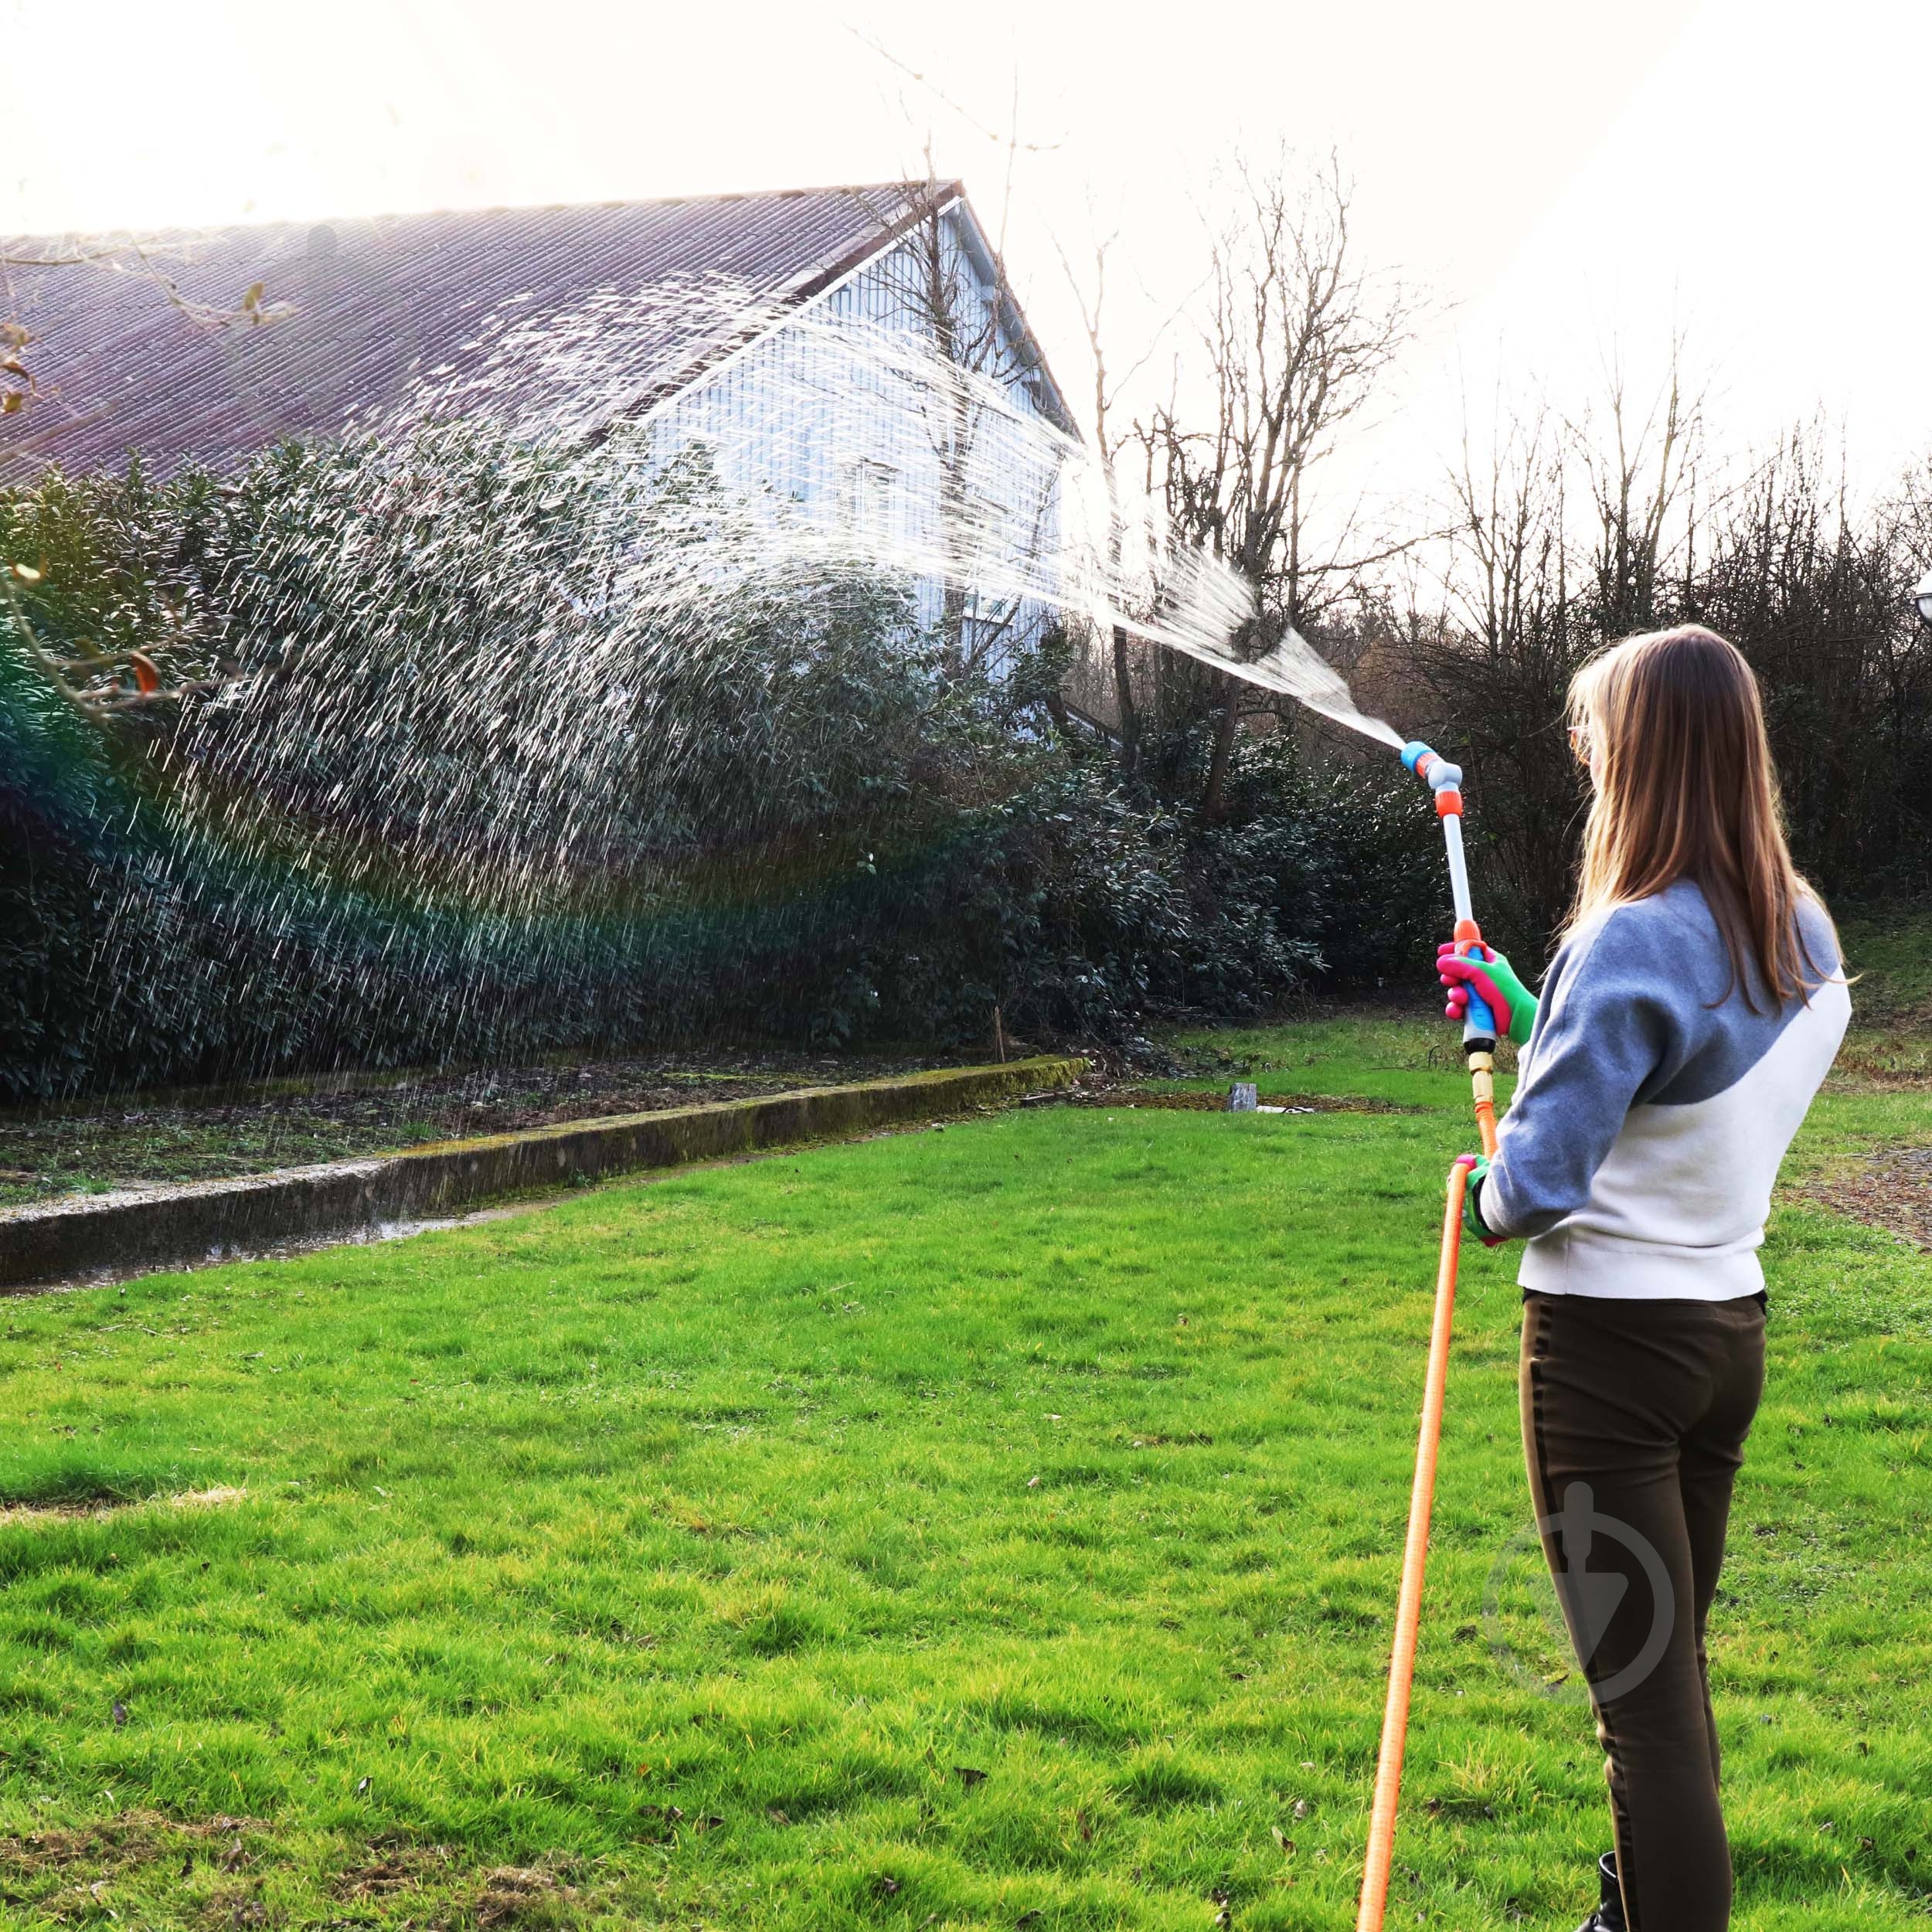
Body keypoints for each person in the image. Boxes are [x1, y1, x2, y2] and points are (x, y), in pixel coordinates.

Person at [1434, 626, 1849, 1932]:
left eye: (1597, 732)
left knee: (1645, 1716)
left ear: (1648, 754)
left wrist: (1480, 1192)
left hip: (1608, 1363)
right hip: (1725, 1344)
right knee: (1667, 1686)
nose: (1586, 753)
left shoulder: (1629, 938)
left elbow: (1540, 1184)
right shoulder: (1803, 930)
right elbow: (1674, 1076)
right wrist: (1527, 995)